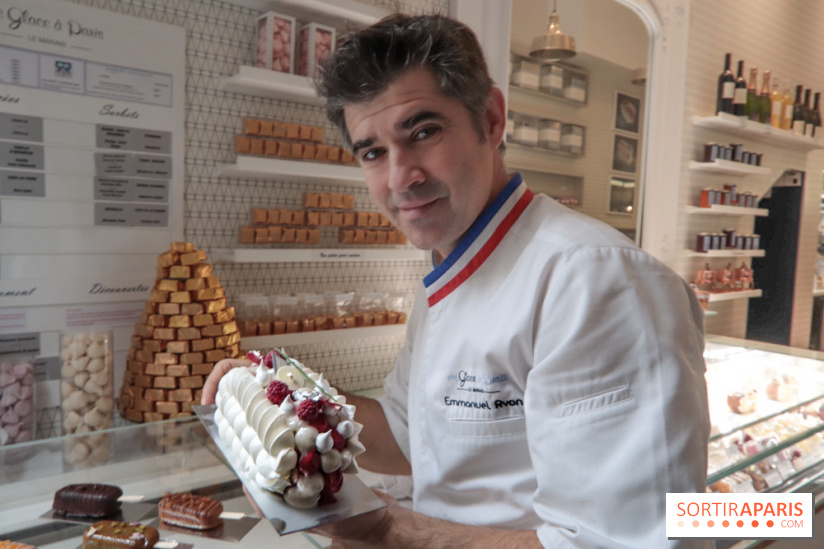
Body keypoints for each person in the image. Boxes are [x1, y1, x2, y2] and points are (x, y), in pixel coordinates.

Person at [203, 13, 711, 549]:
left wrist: (382, 528)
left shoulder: (599, 281)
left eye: (423, 132)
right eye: (373, 152)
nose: (401, 177)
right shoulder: (450, 271)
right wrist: (286, 398)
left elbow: (621, 543)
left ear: (491, 121)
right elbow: (408, 433)